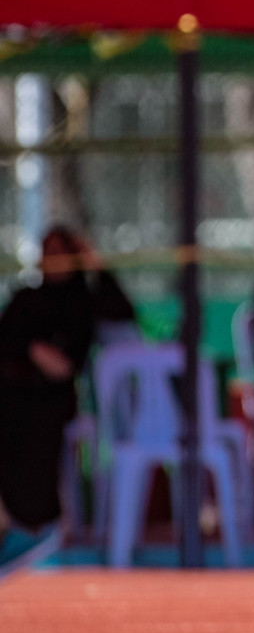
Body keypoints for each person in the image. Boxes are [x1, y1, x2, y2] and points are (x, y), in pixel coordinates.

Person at [0, 226, 135, 553]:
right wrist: (33, 352)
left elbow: (122, 312)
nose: (54, 259)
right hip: (12, 389)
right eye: (48, 251)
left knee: (38, 420)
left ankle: (38, 524)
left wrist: (95, 264)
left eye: (62, 252)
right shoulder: (26, 297)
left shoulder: (83, 300)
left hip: (54, 397)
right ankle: (10, 522)